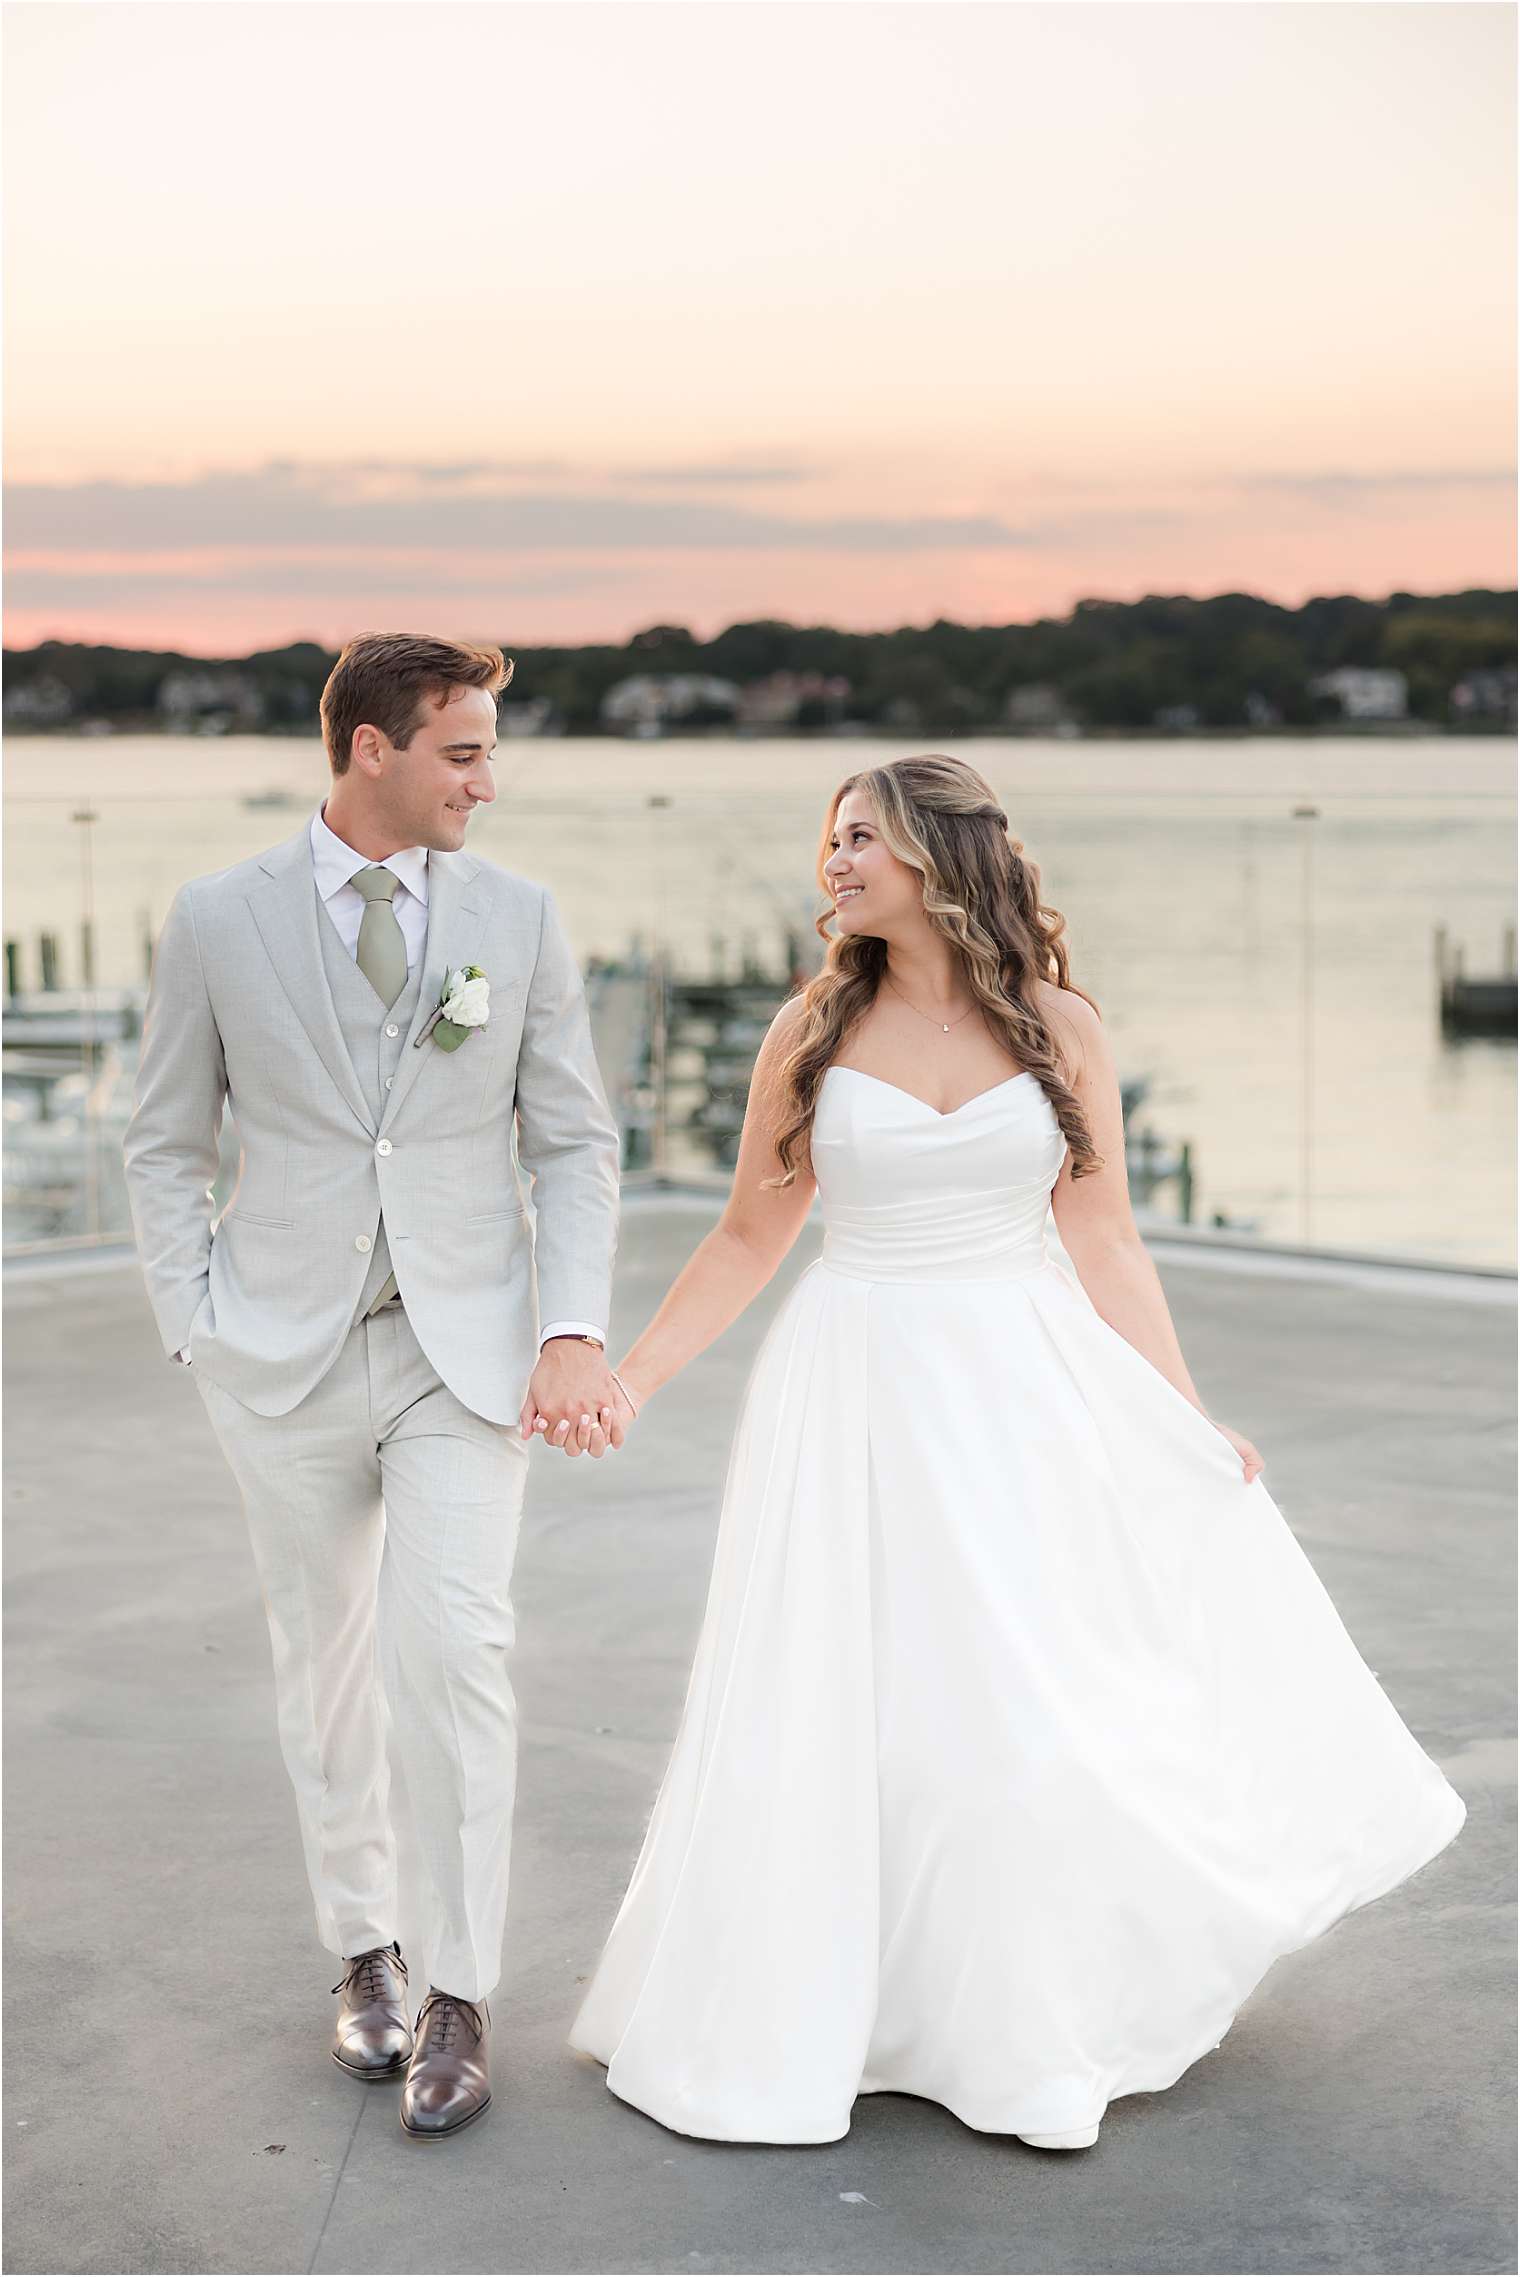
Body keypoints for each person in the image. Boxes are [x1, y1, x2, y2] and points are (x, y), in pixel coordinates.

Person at [568, 753, 1467, 2151]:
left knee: (1025, 1699)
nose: (837, 861)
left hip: (1023, 1382)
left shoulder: (1058, 1024)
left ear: (937, 850)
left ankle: (1025, 2030)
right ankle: (847, 2010)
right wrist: (630, 1378)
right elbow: (751, 1232)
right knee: (865, 1705)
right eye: (831, 840)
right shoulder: (812, 1029)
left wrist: (1180, 1405)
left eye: (861, 836)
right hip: (856, 1388)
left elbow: (1103, 1233)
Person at [124, 631, 635, 2141]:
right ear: (371, 749)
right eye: (463, 748)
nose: (490, 775)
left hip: (463, 1348)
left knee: (454, 1651)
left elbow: (574, 1142)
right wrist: (193, 1324)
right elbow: (162, 1140)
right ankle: (367, 1948)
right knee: (324, 1658)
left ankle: (463, 1991)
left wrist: (574, 1326)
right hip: (276, 1349)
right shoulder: (220, 918)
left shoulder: (517, 917)